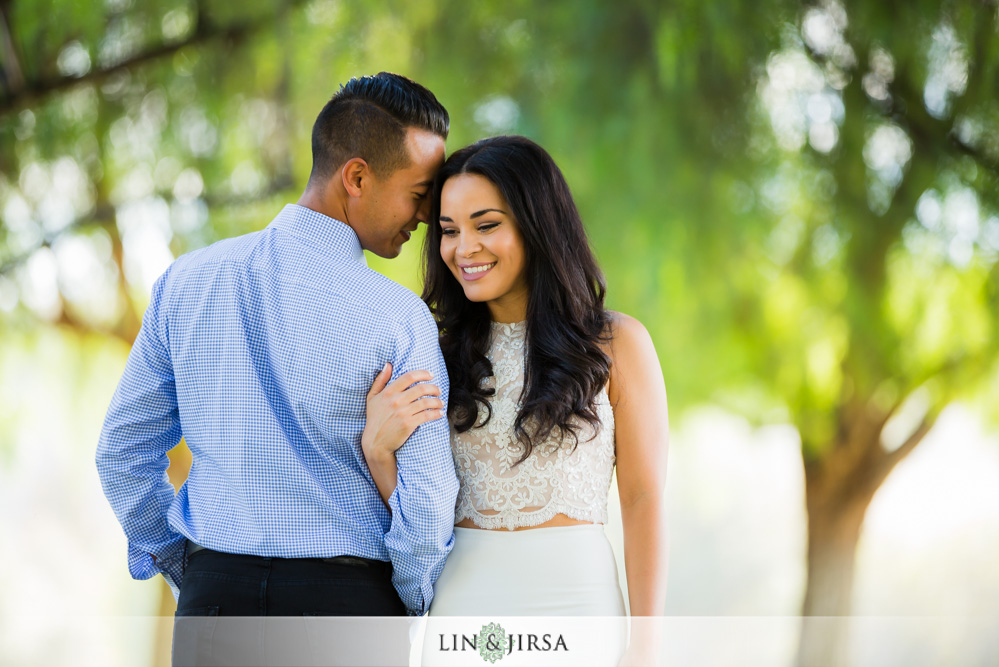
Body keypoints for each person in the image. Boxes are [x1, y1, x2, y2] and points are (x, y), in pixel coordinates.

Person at [96, 72, 459, 643]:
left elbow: (122, 453)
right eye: (419, 194)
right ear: (357, 177)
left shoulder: (187, 282)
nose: (423, 217)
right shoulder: (400, 318)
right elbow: (428, 503)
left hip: (213, 605)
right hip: (346, 616)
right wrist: (413, 600)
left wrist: (190, 571)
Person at [362, 135, 670, 665]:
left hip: (579, 610)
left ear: (537, 223)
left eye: (486, 225)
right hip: (463, 616)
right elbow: (421, 513)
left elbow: (643, 499)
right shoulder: (431, 352)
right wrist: (378, 453)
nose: (464, 248)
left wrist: (644, 646)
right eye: (449, 230)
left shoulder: (617, 344)